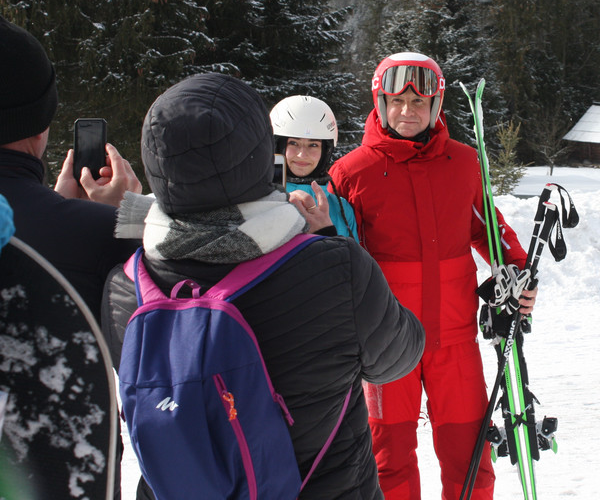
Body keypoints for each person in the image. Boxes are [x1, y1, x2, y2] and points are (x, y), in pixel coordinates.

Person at [101, 73, 425, 499]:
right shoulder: (337, 269)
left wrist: (107, 219)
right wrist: (321, 240)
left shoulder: (123, 287)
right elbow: (399, 356)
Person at [329, 52, 537, 500]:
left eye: (419, 103)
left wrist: (518, 271)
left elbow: (488, 228)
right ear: (380, 103)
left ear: (437, 106)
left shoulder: (463, 163)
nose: (409, 112)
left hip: (455, 340)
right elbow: (334, 250)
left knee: (471, 457)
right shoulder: (351, 172)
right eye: (398, 101)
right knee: (389, 459)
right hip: (386, 343)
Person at [0, 16, 142, 315]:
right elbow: (144, 344)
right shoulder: (99, 234)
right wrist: (125, 222)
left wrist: (55, 207)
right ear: (40, 123)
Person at [270, 95, 358, 238]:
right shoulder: (258, 200)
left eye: (313, 145)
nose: (302, 155)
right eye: (293, 143)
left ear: (325, 151)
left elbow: (353, 258)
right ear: (279, 146)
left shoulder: (341, 209)